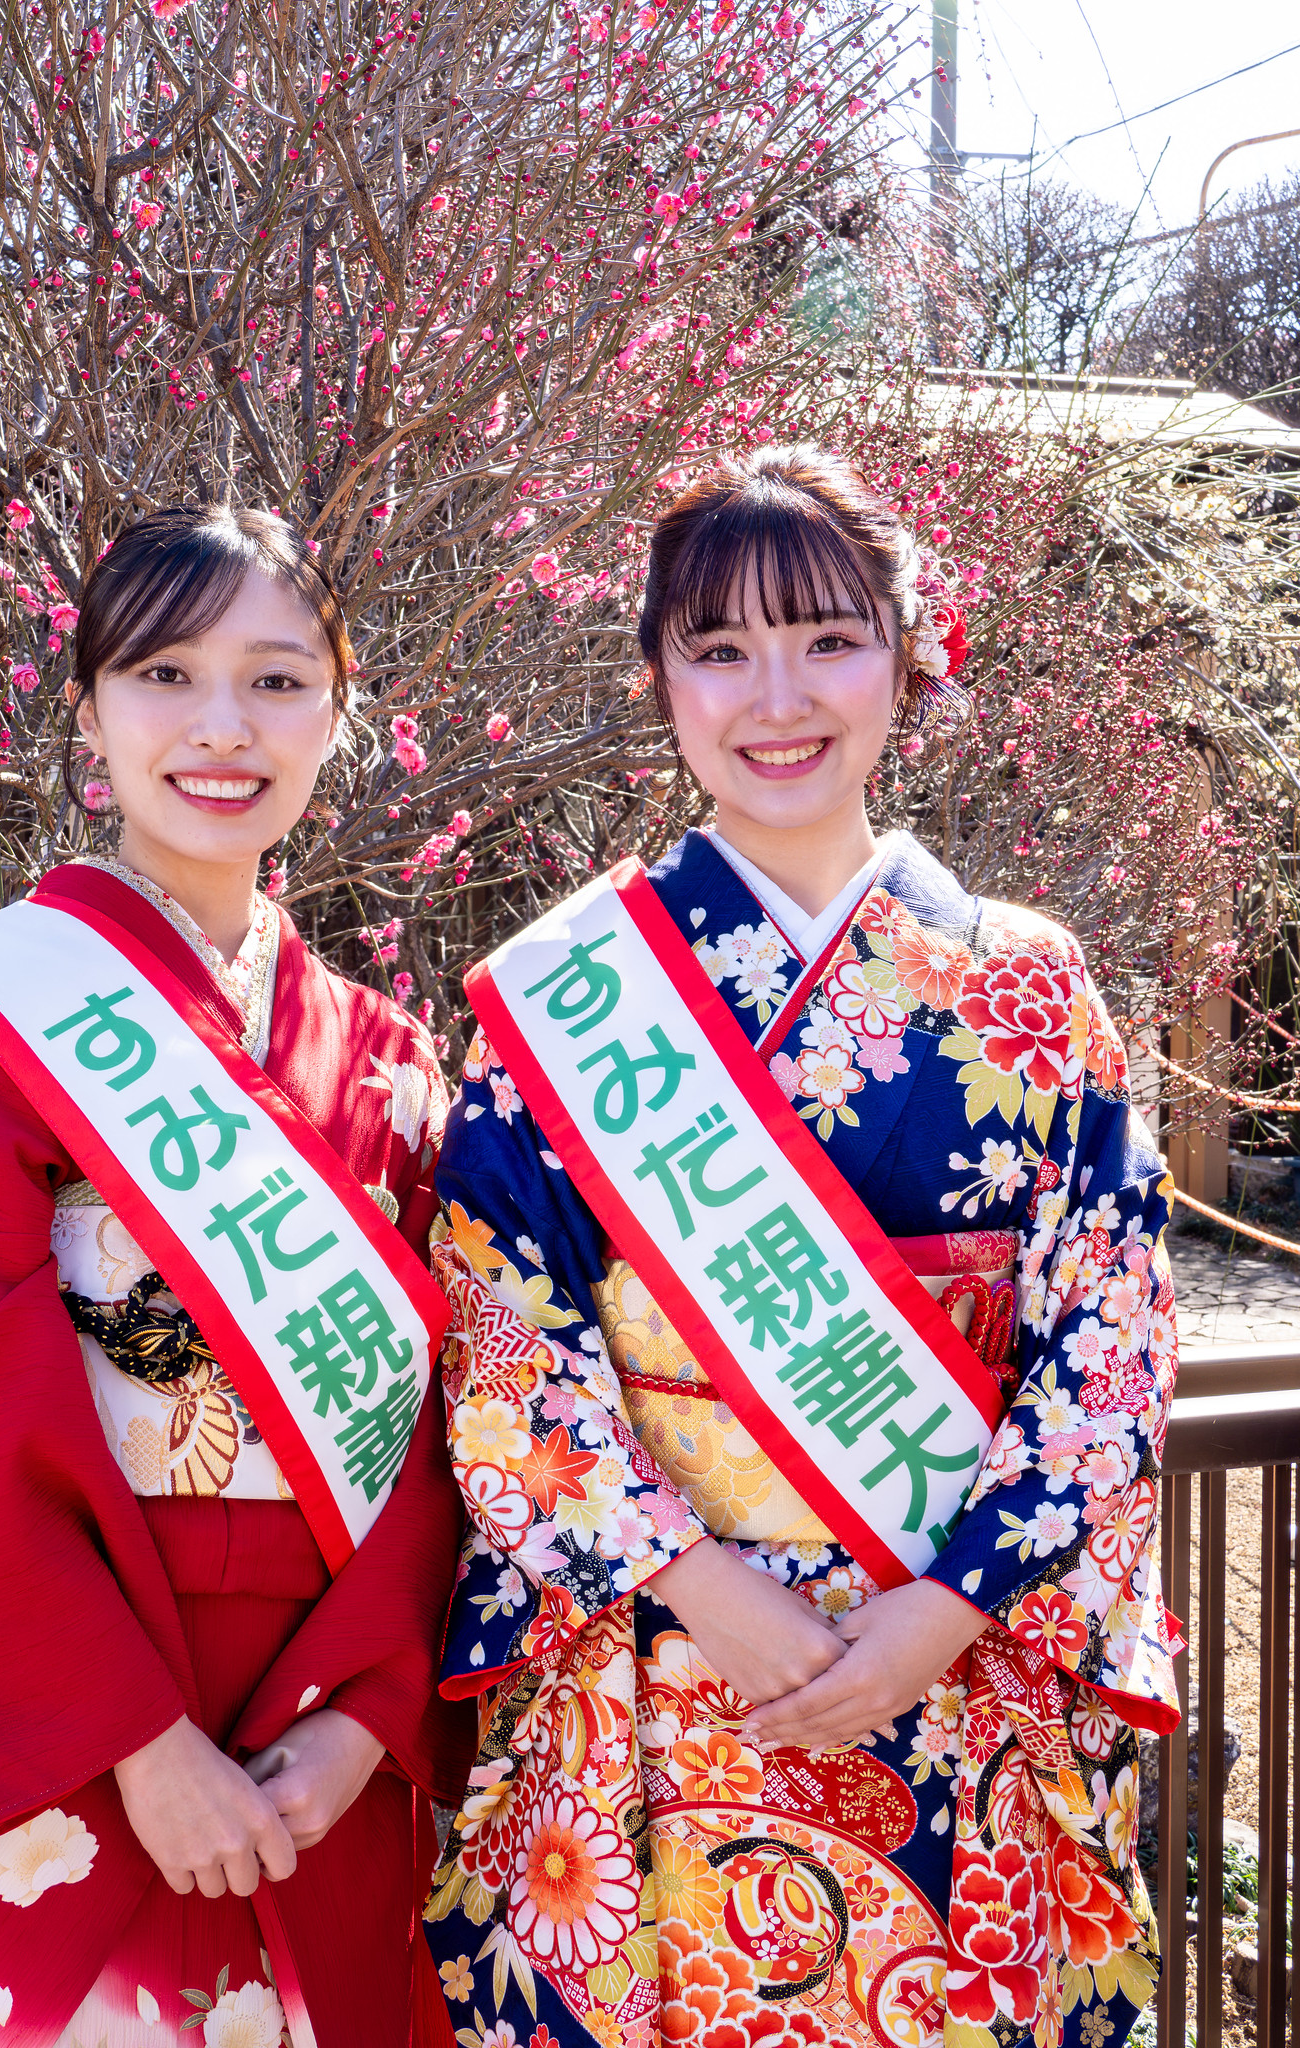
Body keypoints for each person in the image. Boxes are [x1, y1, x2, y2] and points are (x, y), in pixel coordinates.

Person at [423, 446, 1178, 2048]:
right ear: (658, 681)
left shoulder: (1032, 986)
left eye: (829, 637)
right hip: (661, 1673)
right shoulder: (569, 998)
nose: (779, 695)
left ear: (910, 655)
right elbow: (506, 1348)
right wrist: (703, 1586)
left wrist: (947, 1607)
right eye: (719, 649)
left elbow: (1108, 1339)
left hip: (955, 1663)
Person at [0, 506, 474, 2048]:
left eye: (280, 681)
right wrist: (142, 1751)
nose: (224, 728)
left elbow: (445, 1434)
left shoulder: (394, 1067)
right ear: (88, 706)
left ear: (341, 710)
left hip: (314, 1737)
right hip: (54, 1734)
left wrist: (366, 1723)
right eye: (166, 673)